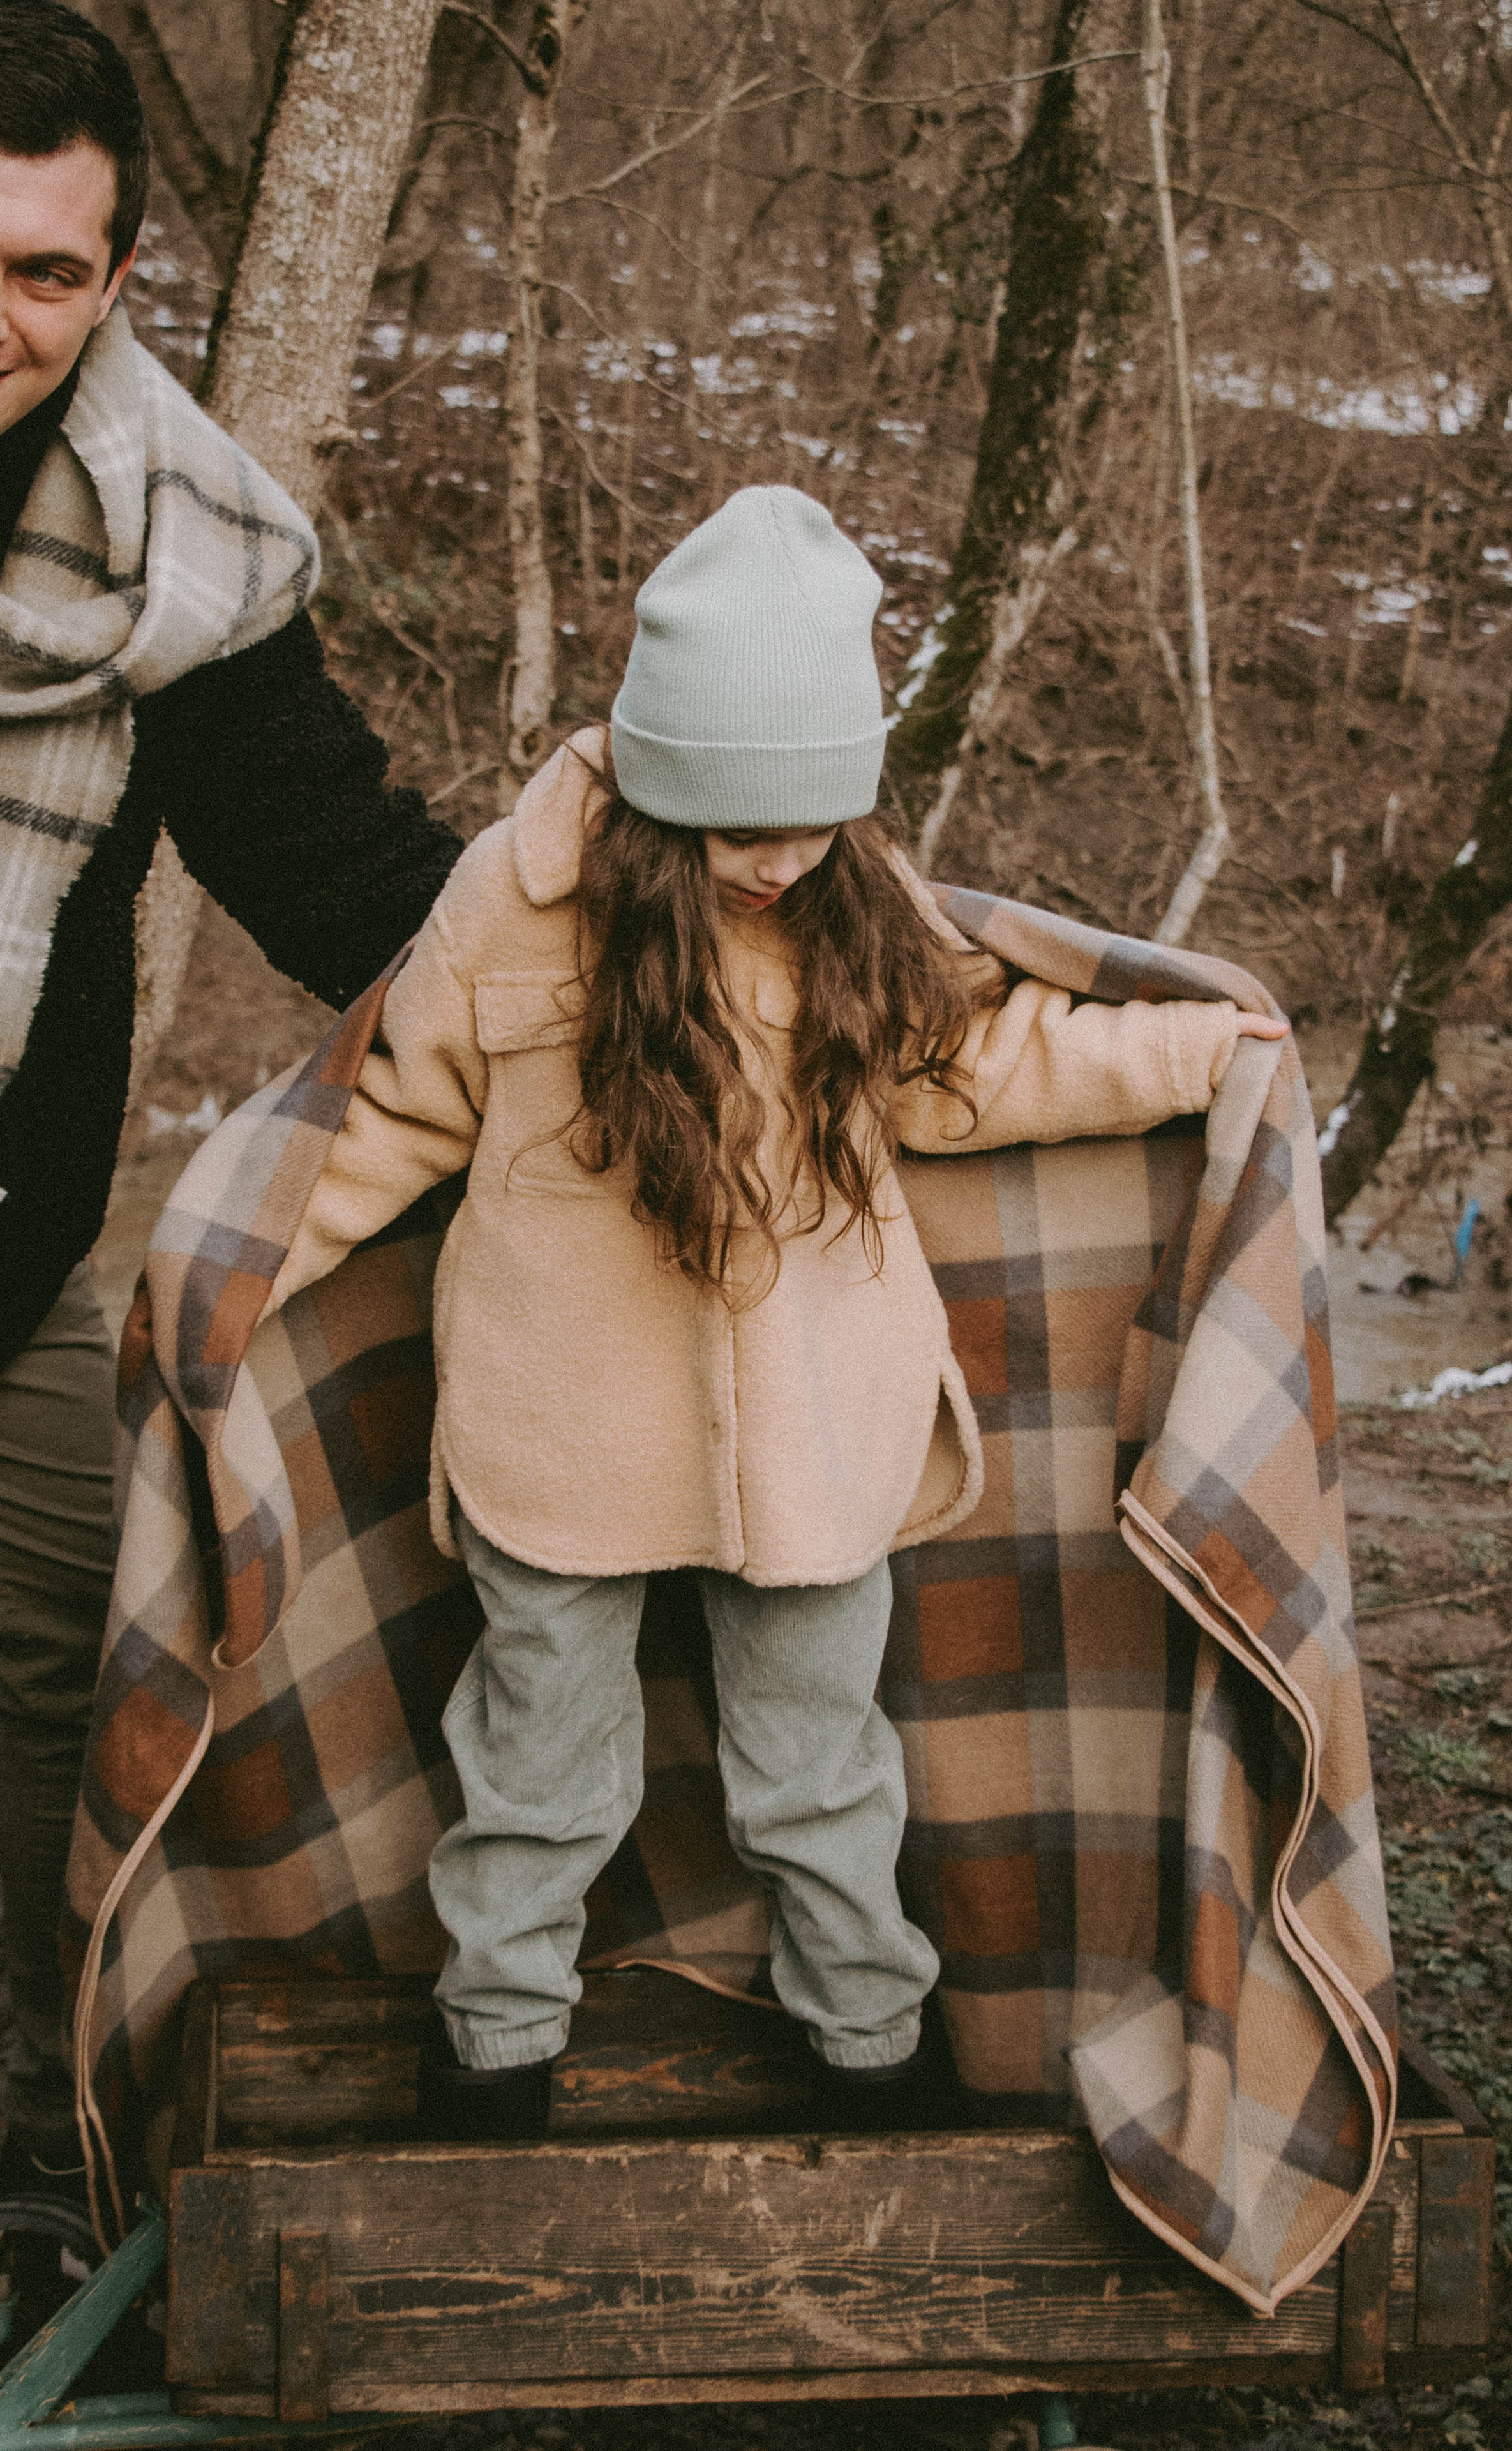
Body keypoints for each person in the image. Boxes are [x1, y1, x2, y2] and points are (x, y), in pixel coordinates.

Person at [266, 484, 1291, 2140]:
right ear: (660, 791)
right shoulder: (507, 904)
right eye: (742, 830)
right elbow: (397, 1114)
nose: (777, 864)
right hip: (561, 1427)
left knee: (824, 1768)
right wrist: (253, 1263)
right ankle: (498, 2050)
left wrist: (1192, 1051)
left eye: (813, 825)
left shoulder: (846, 898)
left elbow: (974, 1067)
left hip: (815, 1430)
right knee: (538, 1767)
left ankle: (868, 2047)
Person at [0, 0, 463, 2203]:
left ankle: (25, 2151)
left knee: (73, 1697)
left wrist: (668, 947)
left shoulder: (168, 558)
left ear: (113, 286)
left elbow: (353, 877)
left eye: (45, 273)